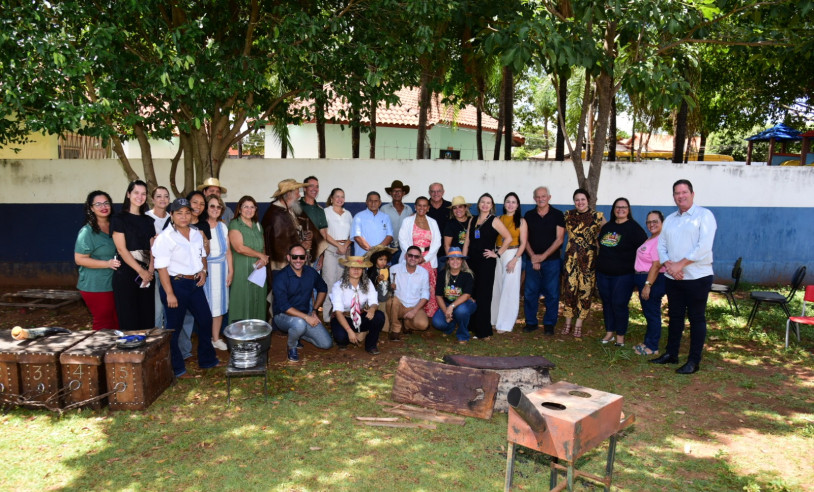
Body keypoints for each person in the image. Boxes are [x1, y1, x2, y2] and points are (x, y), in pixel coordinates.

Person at [651, 180, 717, 375]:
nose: (681, 196)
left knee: (697, 319)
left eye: (684, 192)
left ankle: (693, 361)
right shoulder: (670, 219)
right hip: (674, 278)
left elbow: (703, 247)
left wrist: (681, 264)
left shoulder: (704, 216)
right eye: (677, 193)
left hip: (697, 277)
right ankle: (671, 353)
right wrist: (670, 266)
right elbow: (661, 246)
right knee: (675, 317)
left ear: (692, 194)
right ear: (673, 197)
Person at [152, 198, 220, 379]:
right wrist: (169, 293)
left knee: (205, 320)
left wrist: (204, 270)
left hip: (195, 283)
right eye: (179, 213)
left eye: (187, 212)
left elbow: (202, 254)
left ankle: (207, 359)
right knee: (174, 328)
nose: (184, 216)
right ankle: (177, 368)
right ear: (172, 215)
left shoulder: (197, 233)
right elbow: (162, 268)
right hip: (175, 284)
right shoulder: (165, 238)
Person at [596, 197, 648, 347]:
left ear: (628, 210)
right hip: (603, 273)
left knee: (619, 304)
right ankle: (609, 332)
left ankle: (620, 337)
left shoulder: (634, 228)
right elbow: (601, 245)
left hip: (623, 275)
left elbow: (644, 249)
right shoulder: (607, 227)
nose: (620, 209)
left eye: (624, 207)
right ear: (613, 209)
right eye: (618, 207)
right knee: (607, 303)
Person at [271, 244, 334, 363]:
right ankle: (292, 346)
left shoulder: (310, 272)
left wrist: (314, 310)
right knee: (299, 323)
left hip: (305, 315)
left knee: (326, 344)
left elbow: (323, 288)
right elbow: (284, 306)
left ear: (306, 258)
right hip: (283, 316)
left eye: (301, 257)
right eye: (294, 257)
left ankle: (298, 334)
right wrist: (306, 317)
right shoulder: (281, 277)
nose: (298, 260)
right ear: (288, 258)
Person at [462, 193, 512, 340]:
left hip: (486, 262)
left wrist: (497, 253)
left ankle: (484, 331)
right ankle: (472, 326)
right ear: (478, 204)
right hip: (471, 261)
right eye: (482, 202)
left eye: (488, 203)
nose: (485, 205)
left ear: (492, 206)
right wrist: (464, 260)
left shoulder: (494, 220)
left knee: (484, 296)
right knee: (472, 294)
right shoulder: (472, 220)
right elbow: (467, 242)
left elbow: (508, 238)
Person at [111, 180, 155, 331]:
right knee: (129, 317)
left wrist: (150, 271)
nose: (140, 196)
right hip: (126, 274)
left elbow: (152, 248)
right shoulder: (118, 219)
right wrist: (141, 271)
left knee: (147, 317)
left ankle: (146, 352)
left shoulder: (149, 221)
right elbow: (122, 249)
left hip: (147, 276)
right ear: (128, 194)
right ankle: (130, 353)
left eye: (143, 194)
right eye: (136, 192)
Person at [561, 188, 605, 338]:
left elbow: (608, 235)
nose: (580, 202)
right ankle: (567, 322)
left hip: (589, 260)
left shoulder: (597, 217)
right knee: (569, 290)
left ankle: (579, 323)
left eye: (583, 199)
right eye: (577, 199)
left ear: (588, 200)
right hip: (570, 260)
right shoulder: (568, 215)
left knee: (585, 292)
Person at [74, 190, 121, 330]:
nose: (103, 206)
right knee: (103, 323)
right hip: (96, 285)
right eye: (98, 204)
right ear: (91, 208)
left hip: (113, 283)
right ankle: (97, 351)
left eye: (106, 203)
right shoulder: (87, 232)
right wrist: (107, 263)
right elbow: (79, 259)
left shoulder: (115, 226)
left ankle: (115, 352)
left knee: (116, 322)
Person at [523, 186, 565, 335]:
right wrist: (534, 256)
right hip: (531, 260)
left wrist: (543, 256)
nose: (541, 199)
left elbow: (559, 239)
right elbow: (524, 238)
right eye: (538, 197)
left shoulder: (558, 215)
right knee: (530, 293)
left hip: (552, 261)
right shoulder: (528, 215)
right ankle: (531, 322)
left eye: (543, 196)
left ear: (549, 197)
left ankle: (549, 324)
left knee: (552, 294)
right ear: (534, 198)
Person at [261, 179, 324, 272]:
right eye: (297, 193)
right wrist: (300, 246)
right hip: (284, 267)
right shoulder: (275, 214)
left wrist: (309, 235)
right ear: (289, 194)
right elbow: (278, 243)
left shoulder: (293, 208)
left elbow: (303, 227)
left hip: (299, 260)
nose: (299, 196)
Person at [329, 256, 385, 355]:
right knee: (342, 339)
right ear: (347, 269)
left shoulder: (367, 283)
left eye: (359, 268)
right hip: (344, 317)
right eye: (352, 267)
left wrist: (372, 309)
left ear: (363, 270)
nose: (356, 270)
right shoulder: (338, 286)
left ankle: (371, 345)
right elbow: (338, 312)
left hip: (360, 315)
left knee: (379, 316)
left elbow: (374, 302)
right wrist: (349, 331)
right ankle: (349, 335)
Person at [397, 196, 442, 316]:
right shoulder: (407, 221)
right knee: (411, 285)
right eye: (419, 205)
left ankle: (428, 314)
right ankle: (408, 311)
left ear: (428, 208)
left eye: (424, 206)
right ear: (415, 207)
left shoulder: (432, 222)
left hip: (428, 258)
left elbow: (437, 242)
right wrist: (413, 256)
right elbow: (402, 239)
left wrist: (425, 258)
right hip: (411, 257)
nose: (422, 208)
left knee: (428, 286)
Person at [491, 192, 528, 334]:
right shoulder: (498, 219)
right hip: (498, 253)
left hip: (513, 254)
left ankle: (505, 323)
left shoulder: (522, 221)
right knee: (497, 288)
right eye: (508, 201)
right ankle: (494, 320)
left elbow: (523, 243)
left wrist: (515, 259)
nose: (510, 204)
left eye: (513, 202)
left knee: (509, 289)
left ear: (517, 205)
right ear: (504, 204)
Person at [228, 196, 269, 322]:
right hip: (241, 268)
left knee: (258, 300)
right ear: (239, 209)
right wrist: (260, 255)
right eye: (246, 206)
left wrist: (263, 259)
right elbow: (239, 247)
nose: (249, 210)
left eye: (252, 207)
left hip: (258, 270)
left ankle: (257, 334)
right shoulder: (235, 224)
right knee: (242, 300)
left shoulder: (258, 225)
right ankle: (239, 335)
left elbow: (263, 247)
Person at [632, 211, 667, 356]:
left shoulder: (659, 241)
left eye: (655, 221)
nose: (651, 224)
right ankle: (648, 342)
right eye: (649, 222)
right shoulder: (652, 238)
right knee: (649, 312)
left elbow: (657, 265)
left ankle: (652, 346)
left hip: (653, 279)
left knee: (652, 313)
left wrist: (648, 285)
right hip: (644, 278)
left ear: (662, 222)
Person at [204, 194, 233, 351]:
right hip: (206, 271)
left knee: (219, 306)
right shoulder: (200, 226)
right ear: (207, 208)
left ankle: (215, 338)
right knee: (206, 306)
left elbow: (228, 252)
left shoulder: (223, 227)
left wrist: (231, 272)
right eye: (212, 206)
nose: (215, 209)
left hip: (222, 270)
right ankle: (205, 338)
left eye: (218, 206)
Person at [322, 187, 353, 322]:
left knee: (342, 282)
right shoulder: (326, 212)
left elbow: (352, 234)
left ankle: (339, 313)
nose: (340, 199)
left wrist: (345, 246)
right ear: (331, 198)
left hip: (345, 250)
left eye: (342, 196)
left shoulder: (348, 214)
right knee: (329, 281)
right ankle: (327, 315)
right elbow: (324, 233)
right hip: (330, 249)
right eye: (337, 196)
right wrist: (338, 245)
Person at [432, 248, 476, 343]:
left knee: (461, 311)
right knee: (437, 322)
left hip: (464, 304)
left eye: (458, 259)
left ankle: (463, 335)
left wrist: (451, 307)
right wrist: (446, 311)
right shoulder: (442, 274)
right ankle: (450, 326)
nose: (455, 261)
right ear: (448, 261)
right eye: (452, 259)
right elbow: (438, 295)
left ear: (462, 261)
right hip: (447, 304)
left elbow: (467, 295)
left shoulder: (467, 275)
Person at [389, 245, 431, 341]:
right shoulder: (394, 269)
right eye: (410, 255)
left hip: (414, 306)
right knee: (392, 301)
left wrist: (414, 310)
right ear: (405, 256)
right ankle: (395, 330)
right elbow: (388, 290)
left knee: (423, 325)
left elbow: (425, 294)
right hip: (398, 305)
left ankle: (406, 324)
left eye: (416, 257)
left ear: (420, 259)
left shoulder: (424, 273)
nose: (413, 258)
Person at [146, 186, 170, 327]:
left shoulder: (172, 217)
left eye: (166, 196)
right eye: (159, 196)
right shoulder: (147, 218)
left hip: (171, 268)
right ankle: (156, 336)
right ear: (153, 199)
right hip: (154, 268)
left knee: (169, 303)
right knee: (157, 306)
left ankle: (168, 338)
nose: (163, 199)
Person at [365, 245, 396, 334]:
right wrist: (377, 281)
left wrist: (391, 287)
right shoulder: (371, 270)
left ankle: (384, 327)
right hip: (375, 299)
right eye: (380, 259)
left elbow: (387, 284)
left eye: (385, 260)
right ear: (375, 259)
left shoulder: (387, 270)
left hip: (384, 297)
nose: (383, 262)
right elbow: (368, 285)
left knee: (385, 313)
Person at [351, 191, 393, 256]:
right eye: (370, 201)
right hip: (363, 256)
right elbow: (357, 237)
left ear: (380, 202)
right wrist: (371, 251)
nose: (373, 203)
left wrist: (378, 250)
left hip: (381, 257)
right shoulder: (358, 216)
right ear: (366, 202)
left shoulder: (385, 217)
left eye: (376, 201)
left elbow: (389, 236)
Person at [381, 180, 412, 264]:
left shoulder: (408, 209)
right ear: (390, 193)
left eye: (399, 191)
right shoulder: (384, 209)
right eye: (394, 191)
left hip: (404, 247)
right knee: (388, 270)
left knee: (402, 270)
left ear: (403, 193)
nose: (397, 193)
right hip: (388, 246)